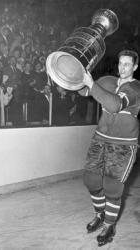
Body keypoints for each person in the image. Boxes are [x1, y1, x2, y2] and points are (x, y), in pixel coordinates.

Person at [80, 49, 140, 246]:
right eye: (120, 63)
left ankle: (109, 225)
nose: (122, 68)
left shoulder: (136, 88)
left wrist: (91, 84)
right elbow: (86, 91)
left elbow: (115, 105)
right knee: (91, 180)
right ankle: (100, 214)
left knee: (113, 187)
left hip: (123, 145)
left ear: (135, 67)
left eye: (127, 64)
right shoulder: (107, 81)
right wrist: (78, 76)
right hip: (100, 139)